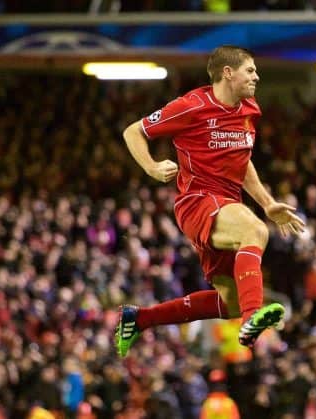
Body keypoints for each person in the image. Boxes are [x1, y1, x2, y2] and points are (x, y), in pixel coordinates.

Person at [115, 45, 305, 357]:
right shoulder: (191, 106)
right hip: (198, 201)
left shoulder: (249, 109)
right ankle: (252, 317)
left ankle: (140, 318)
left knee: (229, 301)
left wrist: (267, 203)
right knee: (256, 232)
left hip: (226, 205)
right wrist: (151, 167)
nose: (257, 76)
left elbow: (241, 160)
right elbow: (133, 132)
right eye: (250, 70)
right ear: (228, 73)